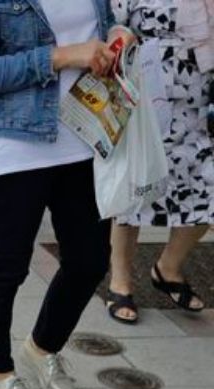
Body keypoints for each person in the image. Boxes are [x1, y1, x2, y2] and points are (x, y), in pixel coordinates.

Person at [0, 0, 133, 389]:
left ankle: (41, 348)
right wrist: (62, 56)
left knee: (90, 261)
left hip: (85, 141)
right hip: (18, 146)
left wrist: (116, 41)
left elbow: (102, 28)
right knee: (6, 267)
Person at [106, 0, 211, 324]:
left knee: (206, 190)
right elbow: (111, 25)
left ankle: (167, 268)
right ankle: (120, 280)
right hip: (146, 103)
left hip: (199, 109)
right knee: (135, 192)